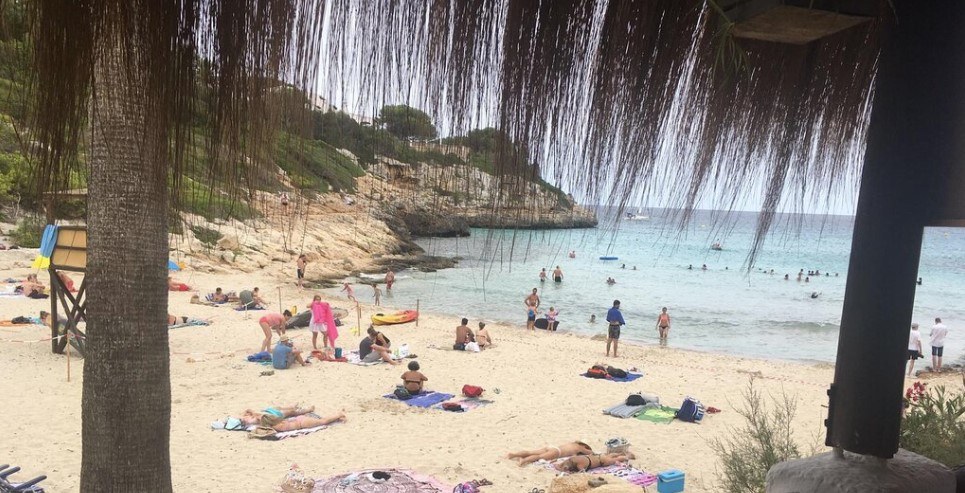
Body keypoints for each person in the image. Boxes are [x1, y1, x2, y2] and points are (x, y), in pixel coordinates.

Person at [507, 441, 594, 466]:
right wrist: (589, 451)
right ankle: (523, 461)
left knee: (531, 452)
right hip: (557, 452)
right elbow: (590, 452)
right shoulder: (580, 448)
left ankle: (513, 455)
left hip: (552, 447)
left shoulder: (573, 444)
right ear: (584, 446)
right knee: (538, 457)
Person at [554, 452, 636, 473]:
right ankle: (619, 453)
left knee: (614, 460)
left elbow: (582, 472)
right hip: (598, 456)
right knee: (609, 456)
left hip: (602, 462)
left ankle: (627, 456)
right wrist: (560, 467)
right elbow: (558, 465)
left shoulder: (579, 465)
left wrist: (565, 470)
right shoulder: (572, 459)